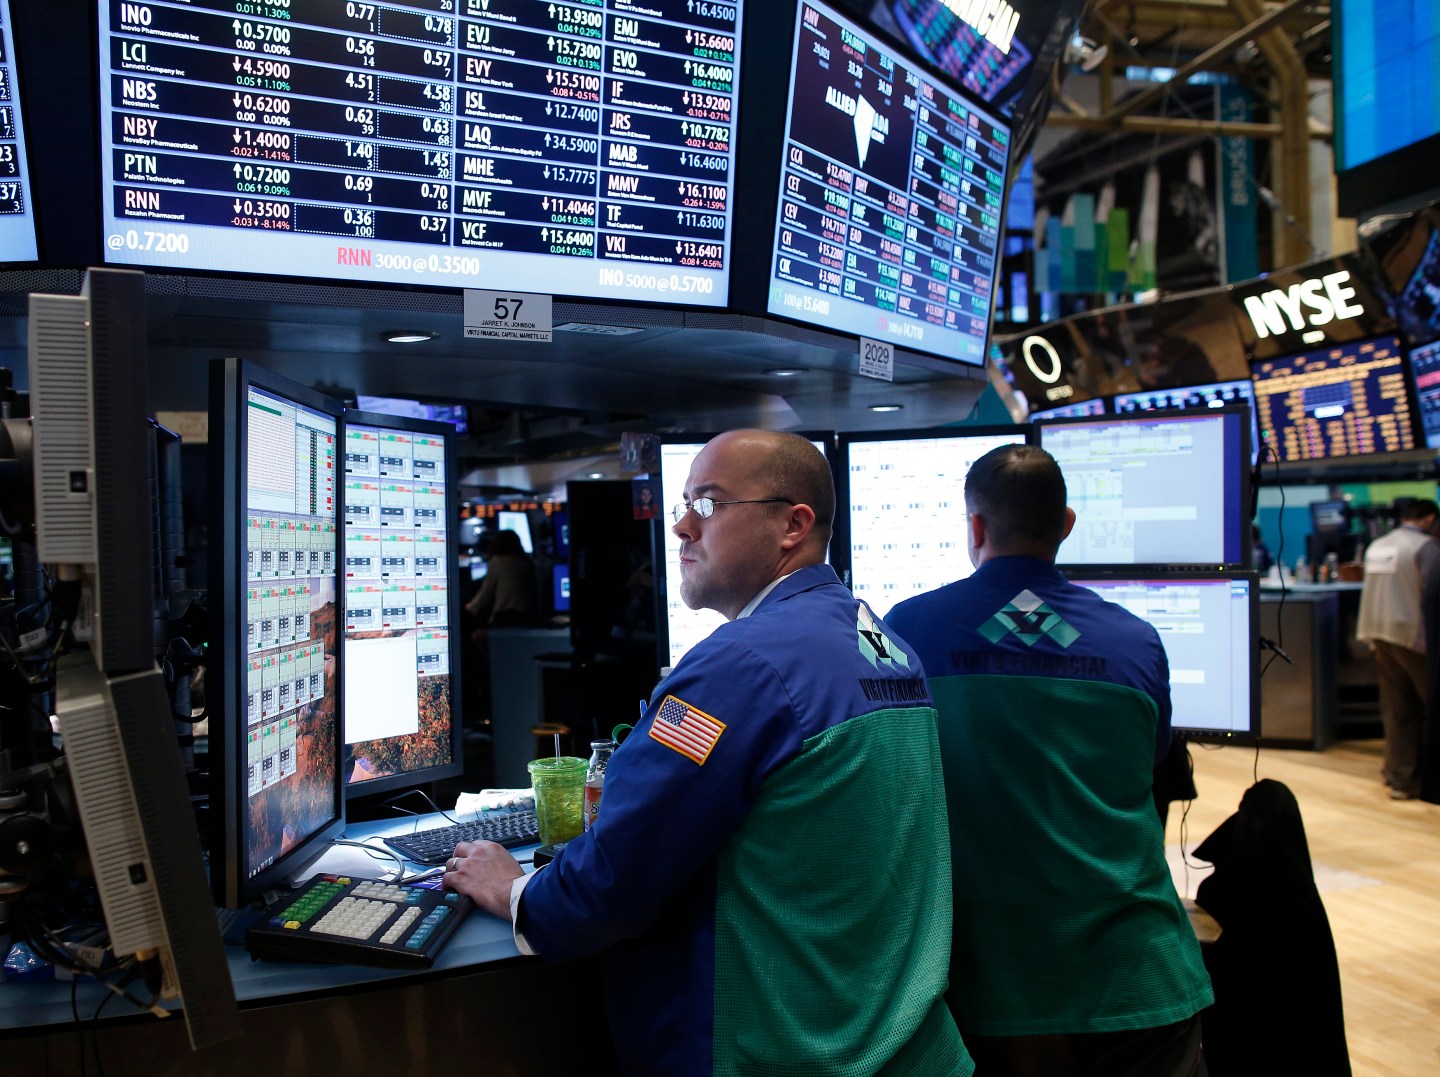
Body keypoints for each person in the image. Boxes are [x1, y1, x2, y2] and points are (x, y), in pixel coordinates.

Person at [444, 430, 970, 1076]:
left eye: (710, 504)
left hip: (784, 1055)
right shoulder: (884, 646)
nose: (683, 527)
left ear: (793, 525)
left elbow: (614, 880)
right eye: (685, 504)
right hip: (904, 1046)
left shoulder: (740, 667)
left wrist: (514, 890)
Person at [885, 444, 1212, 1077]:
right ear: (1066, 525)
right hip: (1138, 982)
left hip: (985, 988)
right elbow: (1151, 768)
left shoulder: (908, 631)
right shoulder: (1137, 642)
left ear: (975, 526)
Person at [1356, 498, 1440, 801]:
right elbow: (1433, 592)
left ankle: (1399, 778)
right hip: (1413, 637)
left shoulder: (1378, 545)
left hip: (1379, 633)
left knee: (1397, 710)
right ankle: (1428, 781)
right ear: (1429, 518)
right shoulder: (1425, 547)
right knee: (1429, 708)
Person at [463, 527, 538, 627]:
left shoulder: (497, 562)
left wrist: (470, 607)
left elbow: (485, 594)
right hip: (529, 619)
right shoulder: (526, 563)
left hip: (505, 618)